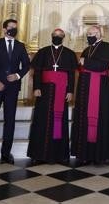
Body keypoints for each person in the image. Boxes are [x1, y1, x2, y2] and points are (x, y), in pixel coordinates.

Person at [27, 29, 78, 164]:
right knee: (41, 120)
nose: (57, 37)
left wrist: (70, 91)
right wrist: (36, 87)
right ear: (51, 36)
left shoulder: (69, 54)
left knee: (59, 120)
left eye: (59, 36)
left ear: (63, 37)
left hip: (62, 91)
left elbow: (72, 74)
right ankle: (38, 154)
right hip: (44, 91)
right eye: (55, 35)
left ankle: (59, 154)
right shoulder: (43, 52)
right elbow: (37, 72)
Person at [0, 19, 30, 163]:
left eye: (15, 28)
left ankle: (6, 152)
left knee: (10, 120)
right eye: (10, 28)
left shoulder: (20, 46)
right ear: (4, 29)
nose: (13, 30)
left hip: (12, 88)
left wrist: (17, 75)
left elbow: (27, 65)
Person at [71, 25, 109, 165]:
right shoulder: (87, 49)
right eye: (88, 34)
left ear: (99, 34)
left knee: (100, 118)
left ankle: (100, 154)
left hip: (100, 88)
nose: (89, 36)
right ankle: (85, 154)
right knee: (84, 118)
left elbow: (103, 66)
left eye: (91, 33)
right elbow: (80, 67)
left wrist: (86, 62)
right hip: (85, 88)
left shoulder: (107, 47)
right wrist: (82, 64)